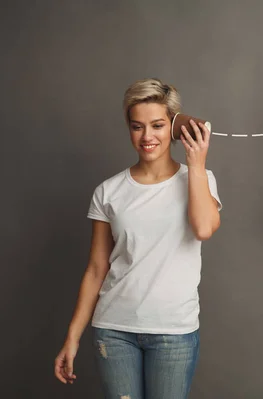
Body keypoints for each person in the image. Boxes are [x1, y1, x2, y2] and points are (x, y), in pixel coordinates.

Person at [54, 78, 222, 399]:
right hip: (114, 330)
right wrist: (72, 337)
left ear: (173, 127)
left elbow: (203, 228)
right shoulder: (108, 191)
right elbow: (95, 269)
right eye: (137, 126)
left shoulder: (200, 179)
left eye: (157, 125)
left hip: (173, 332)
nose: (147, 136)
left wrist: (197, 164)